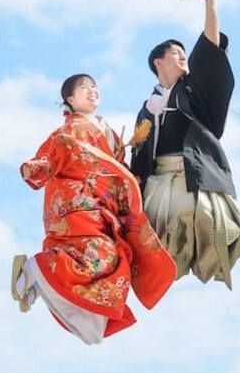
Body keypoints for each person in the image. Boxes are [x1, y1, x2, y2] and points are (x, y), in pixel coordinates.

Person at [11, 74, 176, 345]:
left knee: (114, 263)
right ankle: (37, 268)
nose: (91, 91)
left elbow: (117, 168)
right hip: (77, 202)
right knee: (100, 254)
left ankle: (51, 291)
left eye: (93, 87)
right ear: (70, 100)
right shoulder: (69, 130)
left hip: (103, 207)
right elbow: (52, 154)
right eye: (83, 88)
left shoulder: (108, 132)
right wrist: (38, 166)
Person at [129, 0, 240, 289]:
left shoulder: (191, 90)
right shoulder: (147, 108)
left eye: (185, 52)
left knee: (217, 226)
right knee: (149, 242)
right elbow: (139, 154)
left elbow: (209, 49)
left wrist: (210, 2)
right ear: (158, 61)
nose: (183, 56)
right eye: (176, 52)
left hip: (193, 173)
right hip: (159, 182)